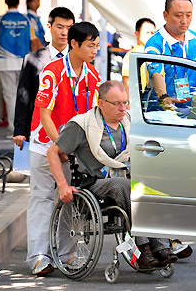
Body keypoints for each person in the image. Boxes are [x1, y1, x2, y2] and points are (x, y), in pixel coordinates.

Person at [46, 80, 177, 270]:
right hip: (95, 184)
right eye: (117, 104)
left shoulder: (130, 121)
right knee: (124, 185)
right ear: (101, 103)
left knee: (148, 185)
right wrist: (63, 186)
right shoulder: (82, 125)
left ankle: (162, 247)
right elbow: (53, 152)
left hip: (127, 179)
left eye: (125, 102)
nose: (123, 108)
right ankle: (144, 248)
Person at [26, 21, 101, 276]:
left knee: (70, 200)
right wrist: (59, 144)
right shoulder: (52, 71)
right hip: (45, 143)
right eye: (91, 46)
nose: (94, 51)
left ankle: (67, 256)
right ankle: (38, 257)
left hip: (72, 147)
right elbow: (44, 113)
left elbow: (92, 115)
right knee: (42, 198)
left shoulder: (93, 75)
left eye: (97, 46)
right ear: (74, 44)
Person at [13, 7, 75, 150]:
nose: (64, 32)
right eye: (60, 27)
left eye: (69, 27)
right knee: (39, 171)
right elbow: (23, 96)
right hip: (39, 131)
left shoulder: (78, 60)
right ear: (49, 26)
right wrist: (20, 131)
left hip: (70, 128)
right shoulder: (32, 59)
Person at [0, 0, 41, 138]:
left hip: (5, 64)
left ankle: (13, 129)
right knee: (25, 95)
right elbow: (34, 43)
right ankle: (26, 128)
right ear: (19, 1)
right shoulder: (27, 20)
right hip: (24, 63)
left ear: (5, 1)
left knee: (10, 96)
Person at [145, 0, 196, 109]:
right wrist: (164, 98)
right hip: (164, 113)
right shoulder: (156, 43)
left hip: (193, 111)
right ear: (165, 15)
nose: (184, 21)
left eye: (188, 15)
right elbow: (156, 74)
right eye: (178, 15)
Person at [122, 18, 156, 105]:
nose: (150, 36)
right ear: (137, 34)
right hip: (139, 104)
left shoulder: (155, 54)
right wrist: (130, 107)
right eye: (147, 33)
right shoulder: (131, 56)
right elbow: (127, 84)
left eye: (152, 33)